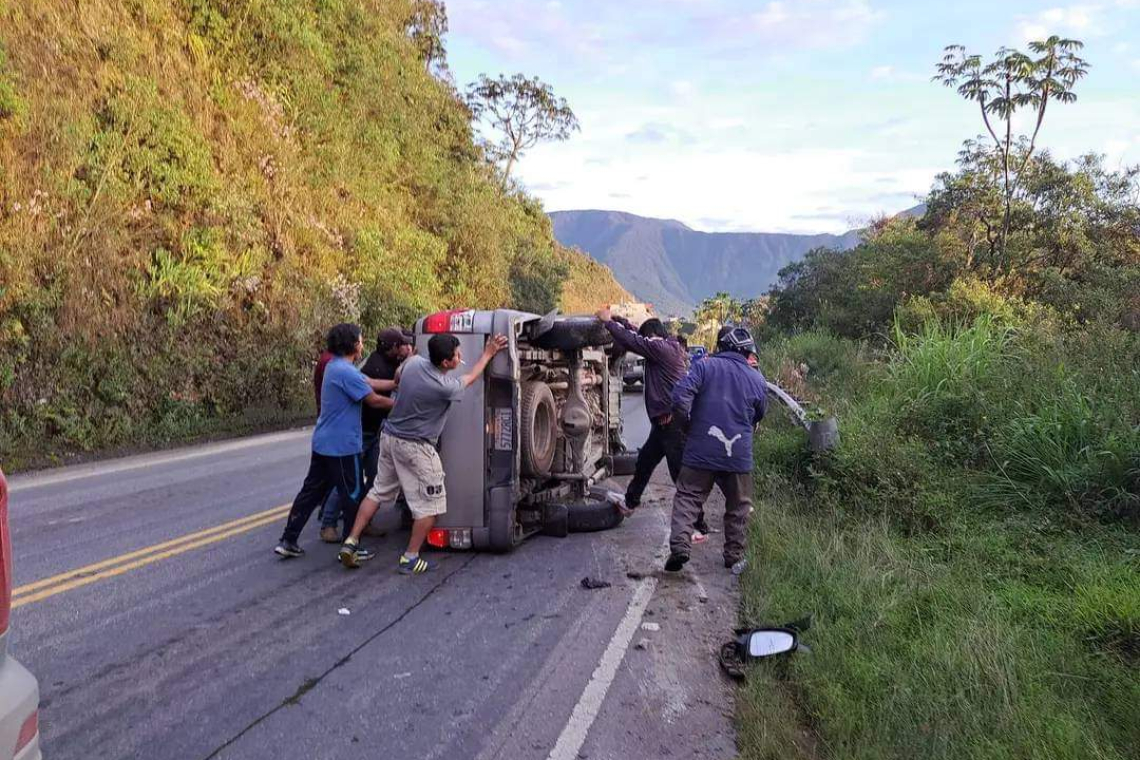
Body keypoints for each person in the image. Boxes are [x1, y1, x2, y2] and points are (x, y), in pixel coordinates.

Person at [339, 332, 508, 573]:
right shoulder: (444, 386)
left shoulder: (414, 363)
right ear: (446, 363)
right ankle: (410, 558)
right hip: (415, 447)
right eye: (457, 356)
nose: (460, 357)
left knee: (378, 490)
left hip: (389, 438)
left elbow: (398, 375)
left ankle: (351, 542)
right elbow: (470, 378)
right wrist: (488, 354)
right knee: (432, 505)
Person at [274, 323, 397, 560]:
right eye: (360, 340)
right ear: (352, 344)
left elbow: (368, 382)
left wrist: (394, 384)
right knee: (352, 494)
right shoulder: (346, 372)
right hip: (342, 446)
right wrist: (406, 403)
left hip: (323, 442)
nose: (362, 344)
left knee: (311, 492)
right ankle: (351, 546)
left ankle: (288, 539)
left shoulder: (336, 366)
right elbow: (373, 400)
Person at [665, 325, 768, 573]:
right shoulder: (757, 378)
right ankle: (733, 556)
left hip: (701, 447)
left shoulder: (704, 366)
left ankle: (681, 545)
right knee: (739, 505)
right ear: (747, 353)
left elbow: (679, 399)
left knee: (689, 496)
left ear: (720, 347)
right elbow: (760, 413)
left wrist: (685, 426)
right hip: (738, 454)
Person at [318, 327, 414, 542]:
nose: (403, 348)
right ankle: (329, 524)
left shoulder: (385, 364)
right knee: (348, 483)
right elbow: (374, 399)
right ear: (392, 347)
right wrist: (405, 405)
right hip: (361, 432)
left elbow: (380, 384)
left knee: (374, 480)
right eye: (401, 345)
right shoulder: (373, 366)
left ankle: (364, 521)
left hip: (374, 431)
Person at [595, 308, 694, 516]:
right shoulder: (666, 346)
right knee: (645, 463)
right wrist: (617, 319)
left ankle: (697, 523)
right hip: (663, 423)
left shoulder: (661, 348)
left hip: (672, 423)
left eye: (647, 338)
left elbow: (634, 341)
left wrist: (608, 323)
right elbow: (636, 335)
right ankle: (630, 503)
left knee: (679, 473)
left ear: (654, 336)